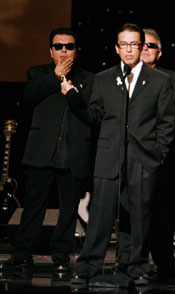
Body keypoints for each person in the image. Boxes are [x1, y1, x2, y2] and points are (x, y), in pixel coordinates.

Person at [62, 23, 175, 286]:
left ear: (142, 46)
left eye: (134, 44)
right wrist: (73, 99)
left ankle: (137, 266)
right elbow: (95, 116)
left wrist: (157, 153)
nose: (129, 49)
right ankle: (88, 265)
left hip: (143, 159)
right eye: (123, 44)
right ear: (116, 48)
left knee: (139, 218)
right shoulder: (103, 79)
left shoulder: (160, 80)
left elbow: (167, 122)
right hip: (109, 157)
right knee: (100, 215)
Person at [0, 28, 95, 272]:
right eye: (59, 46)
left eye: (69, 46)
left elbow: (92, 115)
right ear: (51, 51)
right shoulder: (38, 74)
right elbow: (29, 96)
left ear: (76, 50)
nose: (64, 50)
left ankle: (61, 255)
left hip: (72, 153)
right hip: (42, 152)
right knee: (33, 206)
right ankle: (22, 253)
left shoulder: (89, 78)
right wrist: (55, 76)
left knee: (68, 210)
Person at [116, 28, 175, 278]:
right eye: (141, 44)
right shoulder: (122, 75)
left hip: (157, 157)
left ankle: (164, 261)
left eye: (151, 46)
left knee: (159, 213)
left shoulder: (171, 79)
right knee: (126, 210)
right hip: (127, 156)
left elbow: (171, 118)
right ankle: (127, 259)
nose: (145, 49)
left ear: (160, 53)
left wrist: (155, 150)